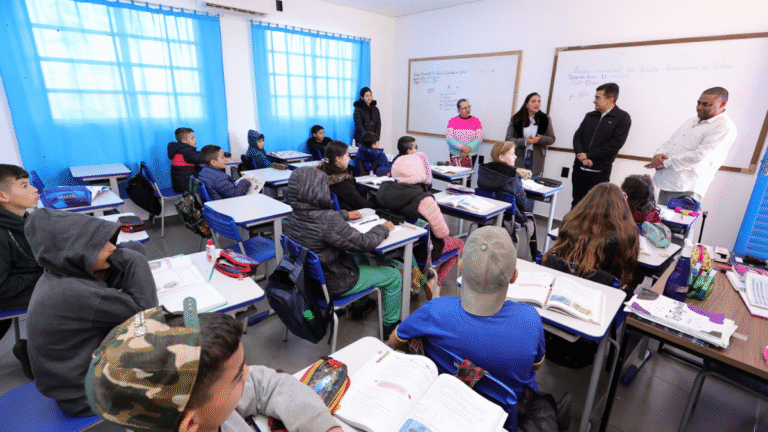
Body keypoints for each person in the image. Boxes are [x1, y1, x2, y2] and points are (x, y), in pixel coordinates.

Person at [86, 306, 343, 432]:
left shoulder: (200, 405)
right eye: (237, 377)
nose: (247, 373)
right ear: (190, 424)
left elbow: (265, 383)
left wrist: (323, 426)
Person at [24, 208, 158, 416]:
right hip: (85, 395)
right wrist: (135, 260)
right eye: (101, 245)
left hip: (66, 380)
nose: (112, 248)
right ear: (76, 254)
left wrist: (126, 251)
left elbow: (107, 274)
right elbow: (146, 315)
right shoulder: (77, 292)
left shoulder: (59, 272)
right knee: (173, 361)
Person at [388, 226, 545, 399]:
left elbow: (395, 340)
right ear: (514, 276)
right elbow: (536, 365)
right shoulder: (530, 319)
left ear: (461, 267)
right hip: (506, 412)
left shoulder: (434, 310)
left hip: (445, 399)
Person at [285, 167, 403, 338]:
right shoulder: (328, 221)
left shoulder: (295, 215)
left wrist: (344, 215)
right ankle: (390, 327)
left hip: (310, 284)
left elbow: (319, 218)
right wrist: (382, 228)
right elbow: (364, 242)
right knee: (394, 276)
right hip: (336, 283)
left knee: (360, 258)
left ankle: (361, 306)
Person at [376, 152, 464, 289]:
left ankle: (415, 282)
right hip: (422, 254)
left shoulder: (384, 190)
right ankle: (434, 282)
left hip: (393, 250)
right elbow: (442, 233)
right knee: (459, 243)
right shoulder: (425, 200)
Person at [645, 87, 737, 205]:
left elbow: (701, 157)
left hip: (686, 188)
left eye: (705, 104)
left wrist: (665, 163)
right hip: (668, 183)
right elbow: (671, 142)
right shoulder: (692, 121)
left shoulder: (724, 127)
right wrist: (658, 154)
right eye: (699, 103)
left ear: (722, 104)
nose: (699, 107)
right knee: (661, 217)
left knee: (676, 218)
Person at [544, 183, 639, 287]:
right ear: (621, 205)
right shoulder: (626, 233)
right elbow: (624, 270)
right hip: (601, 288)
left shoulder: (569, 221)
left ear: (588, 200)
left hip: (563, 281)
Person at [0, 164, 43, 379]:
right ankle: (37, 354)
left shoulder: (22, 218)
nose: (34, 189)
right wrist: (41, 276)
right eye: (24, 186)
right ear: (3, 196)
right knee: (69, 293)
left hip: (20, 281)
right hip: (5, 295)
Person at [571, 83, 631, 208]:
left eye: (597, 97)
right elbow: (577, 137)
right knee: (577, 204)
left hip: (599, 172)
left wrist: (589, 155)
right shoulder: (590, 116)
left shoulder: (622, 118)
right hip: (579, 169)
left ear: (610, 99)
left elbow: (614, 145)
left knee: (596, 208)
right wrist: (582, 156)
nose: (594, 101)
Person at [477, 142, 538, 259]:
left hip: (486, 216)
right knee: (530, 215)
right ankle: (535, 252)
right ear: (501, 157)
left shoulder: (483, 171)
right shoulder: (513, 177)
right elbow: (523, 204)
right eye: (512, 154)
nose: (515, 156)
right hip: (508, 219)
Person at [505, 92, 556, 177]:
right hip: (518, 159)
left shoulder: (545, 118)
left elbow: (552, 139)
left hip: (536, 160)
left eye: (539, 101)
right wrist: (525, 141)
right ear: (527, 105)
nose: (537, 104)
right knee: (518, 183)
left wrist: (540, 139)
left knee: (533, 184)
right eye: (533, 101)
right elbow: (508, 139)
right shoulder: (516, 118)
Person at [319, 140, 377, 211]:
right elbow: (364, 204)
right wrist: (378, 198)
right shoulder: (341, 182)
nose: (349, 158)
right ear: (338, 159)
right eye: (347, 155)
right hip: (349, 214)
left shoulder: (322, 173)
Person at [446, 98, 483, 167]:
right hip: (455, 155)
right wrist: (462, 148)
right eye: (464, 108)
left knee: (468, 174)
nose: (468, 109)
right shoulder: (452, 121)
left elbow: (479, 138)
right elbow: (449, 138)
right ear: (458, 110)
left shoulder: (476, 121)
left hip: (471, 154)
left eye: (469, 107)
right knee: (455, 173)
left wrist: (467, 149)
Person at [168, 127, 202, 193]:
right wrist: (210, 157)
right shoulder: (186, 150)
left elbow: (194, 154)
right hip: (186, 187)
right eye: (192, 138)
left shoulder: (179, 149)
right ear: (184, 141)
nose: (195, 140)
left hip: (179, 185)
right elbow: (198, 159)